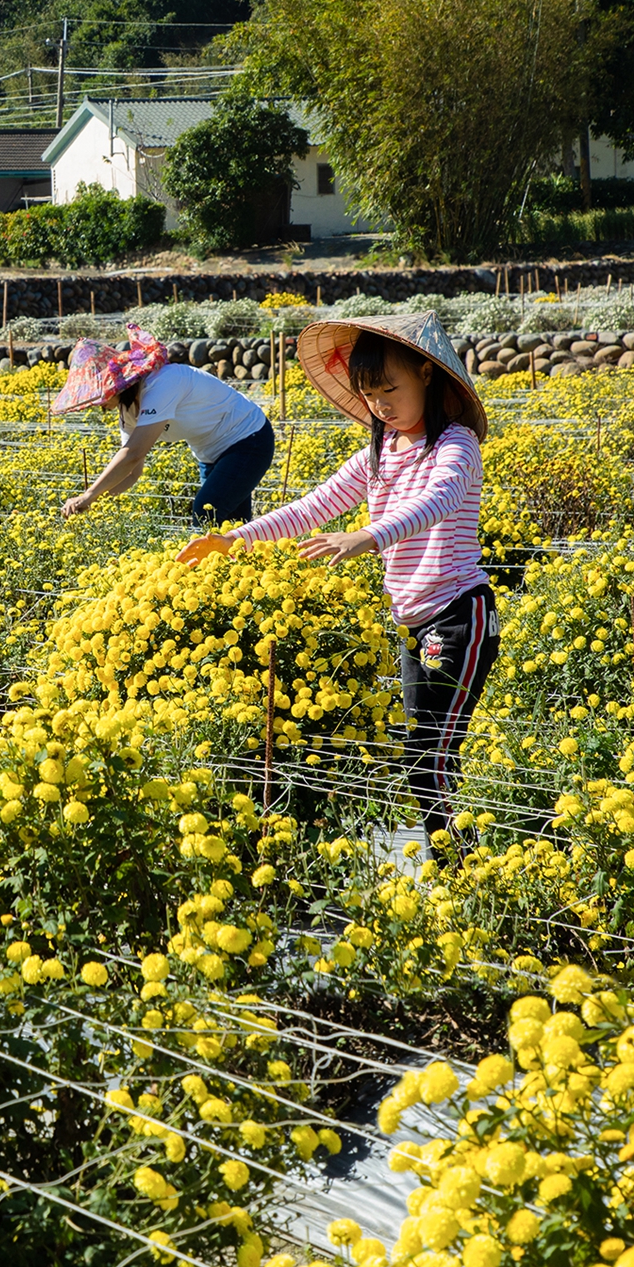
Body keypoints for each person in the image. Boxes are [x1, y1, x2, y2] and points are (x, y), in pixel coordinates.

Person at [221, 312, 493, 863]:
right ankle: (464, 870)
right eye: (369, 394)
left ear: (426, 373)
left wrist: (368, 536)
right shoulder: (378, 453)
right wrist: (235, 542)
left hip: (458, 614)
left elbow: (435, 503)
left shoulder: (456, 445)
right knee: (424, 756)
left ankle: (465, 872)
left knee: (428, 756)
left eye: (390, 389)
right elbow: (314, 506)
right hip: (412, 623)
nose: (380, 406)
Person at [61, 326, 274, 527]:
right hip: (210, 455)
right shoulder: (128, 412)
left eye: (97, 397)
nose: (98, 404)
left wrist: (88, 495)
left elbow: (133, 454)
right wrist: (95, 502)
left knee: (206, 512)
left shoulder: (162, 383)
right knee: (232, 529)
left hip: (248, 439)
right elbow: (133, 473)